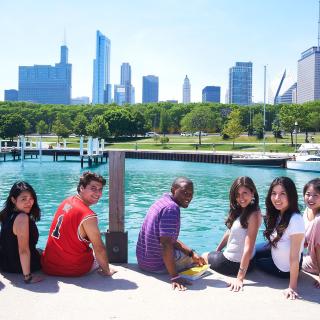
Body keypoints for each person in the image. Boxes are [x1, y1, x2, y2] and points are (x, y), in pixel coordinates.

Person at [41, 171, 116, 277]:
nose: (98, 193)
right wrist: (107, 271)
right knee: (99, 253)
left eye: (100, 190)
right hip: (73, 269)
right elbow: (98, 248)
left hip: (48, 265)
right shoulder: (88, 216)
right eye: (93, 188)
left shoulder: (67, 201)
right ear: (81, 188)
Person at [136, 177, 205, 290]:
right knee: (199, 261)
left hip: (143, 261)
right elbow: (166, 244)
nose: (188, 196)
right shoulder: (172, 209)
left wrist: (190, 252)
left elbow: (167, 238)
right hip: (156, 266)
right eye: (184, 192)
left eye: (191, 193)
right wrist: (174, 277)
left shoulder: (162, 201)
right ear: (173, 190)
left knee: (191, 255)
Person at [202, 176, 262, 292]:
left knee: (203, 255)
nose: (241, 198)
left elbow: (248, 248)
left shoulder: (253, 215)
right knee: (212, 254)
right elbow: (229, 232)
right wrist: (217, 250)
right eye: (238, 194)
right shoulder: (247, 209)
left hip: (232, 263)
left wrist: (240, 278)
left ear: (252, 192)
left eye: (245, 193)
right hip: (248, 262)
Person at [255, 177, 305, 300]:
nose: (277, 198)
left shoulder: (296, 220)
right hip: (275, 249)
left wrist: (292, 287)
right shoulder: (279, 213)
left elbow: (294, 257)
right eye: (274, 193)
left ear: (291, 196)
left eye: (283, 194)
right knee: (251, 250)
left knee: (251, 261)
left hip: (283, 269)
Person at [0, 181, 42, 284]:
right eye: (24, 199)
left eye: (31, 198)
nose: (29, 202)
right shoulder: (22, 218)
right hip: (18, 266)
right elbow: (23, 250)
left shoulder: (5, 214)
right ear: (13, 200)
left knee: (40, 250)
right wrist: (28, 277)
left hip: (5, 263)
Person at [302, 178, 320, 288]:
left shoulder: (318, 220)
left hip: (314, 264)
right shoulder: (307, 210)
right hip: (308, 255)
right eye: (308, 194)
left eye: (316, 195)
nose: (310, 198)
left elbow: (319, 248)